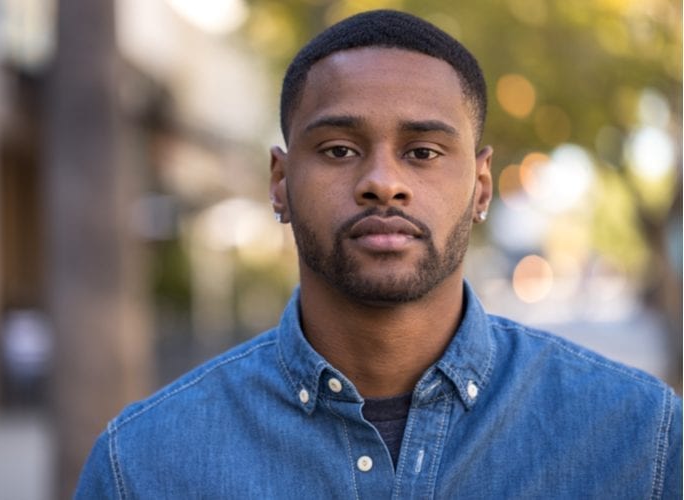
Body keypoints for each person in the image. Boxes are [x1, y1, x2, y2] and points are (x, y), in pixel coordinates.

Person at [75, 9, 682, 498]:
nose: (382, 182)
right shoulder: (144, 465)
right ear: (280, 181)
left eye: (422, 151)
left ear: (481, 187)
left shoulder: (638, 439)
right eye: (339, 149)